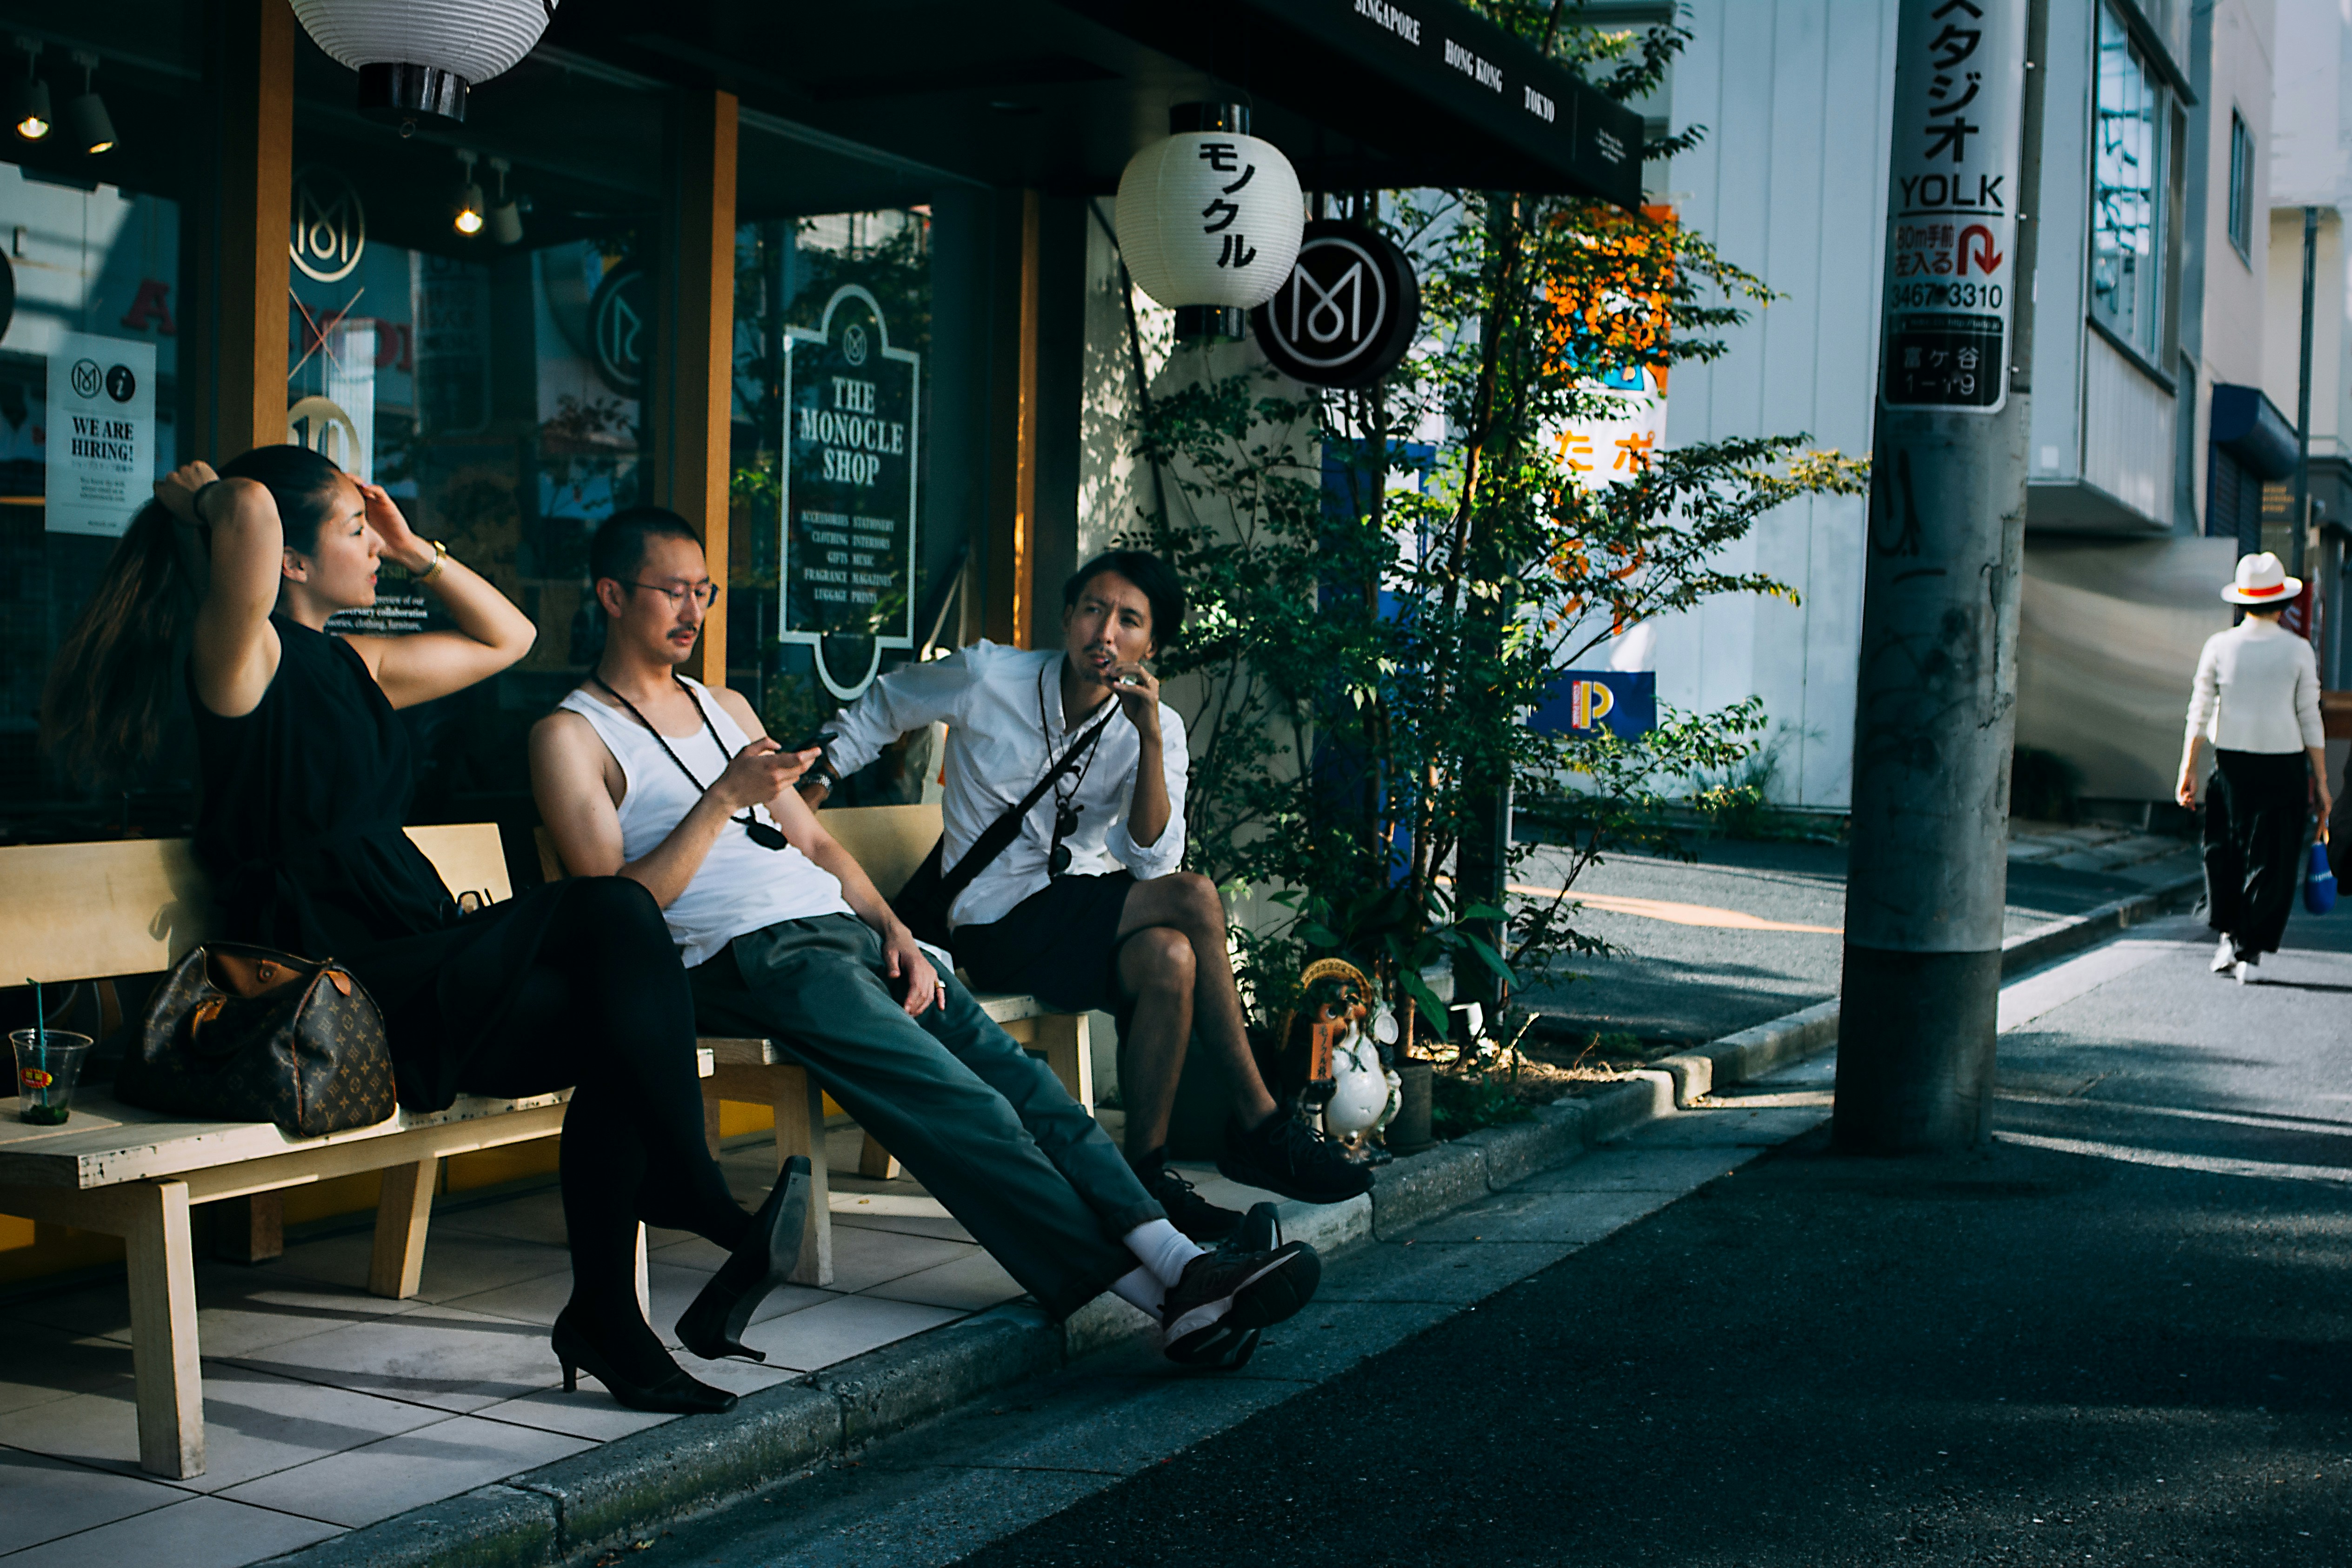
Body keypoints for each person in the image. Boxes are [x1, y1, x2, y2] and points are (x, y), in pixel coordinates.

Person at [41, 451, 806, 1417]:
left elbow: (510, 635)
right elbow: (241, 508)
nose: (374, 542)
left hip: (415, 956)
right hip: (328, 984)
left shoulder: (352, 662)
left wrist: (415, 550)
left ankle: (608, 1317)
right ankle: (692, 1189)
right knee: (611, 904)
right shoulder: (240, 656)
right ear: (289, 560)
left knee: (608, 1023)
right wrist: (200, 499)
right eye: (354, 530)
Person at [528, 509, 1319, 1366]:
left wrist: (896, 929)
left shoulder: (722, 706)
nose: (693, 609)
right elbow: (620, 913)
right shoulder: (571, 735)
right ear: (612, 595)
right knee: (964, 1108)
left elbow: (819, 843)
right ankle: (1163, 1296)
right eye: (671, 591)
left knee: (1025, 1085)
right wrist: (722, 799)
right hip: (749, 955)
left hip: (843, 931)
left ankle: (1185, 1265)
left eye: (704, 590)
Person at [806, 549, 1371, 1241]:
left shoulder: (1153, 731)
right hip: (986, 923)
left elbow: (1149, 858)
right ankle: (1258, 1119)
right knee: (1193, 898)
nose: (1105, 633)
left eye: (1128, 620)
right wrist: (826, 768)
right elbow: (890, 701)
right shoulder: (992, 675)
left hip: (1067, 917)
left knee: (1170, 956)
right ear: (1068, 617)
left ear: (1150, 645)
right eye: (1093, 610)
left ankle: (1147, 1181)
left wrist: (1150, 738)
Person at [2176, 551, 2332, 983]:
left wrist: (2187, 768)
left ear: (2243, 602)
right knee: (2272, 858)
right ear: (2281, 604)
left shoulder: (2218, 646)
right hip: (2283, 765)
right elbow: (2309, 717)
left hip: (2230, 766)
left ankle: (2227, 936)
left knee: (2224, 852)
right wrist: (2320, 781)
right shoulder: (2298, 650)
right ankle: (2249, 952)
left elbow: (2199, 709)